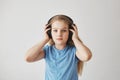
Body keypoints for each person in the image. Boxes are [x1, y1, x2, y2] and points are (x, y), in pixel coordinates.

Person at [25, 14, 92, 80]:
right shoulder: (47, 51)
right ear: (49, 32)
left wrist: (75, 39)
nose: (59, 34)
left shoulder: (74, 51)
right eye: (55, 30)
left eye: (64, 30)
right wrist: (45, 39)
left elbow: (87, 56)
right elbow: (28, 58)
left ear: (70, 32)